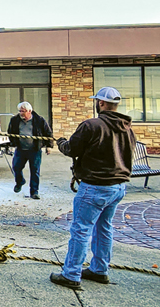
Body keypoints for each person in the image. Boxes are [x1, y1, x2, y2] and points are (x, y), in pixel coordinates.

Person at [50, 86, 137, 290]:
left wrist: (61, 142)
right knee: (104, 227)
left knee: (81, 229)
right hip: (117, 188)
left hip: (95, 187)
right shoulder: (127, 128)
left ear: (100, 103)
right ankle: (99, 270)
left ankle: (71, 274)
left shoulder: (91, 125)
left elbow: (72, 149)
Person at [5, 102, 52, 199]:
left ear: (29, 111)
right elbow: (11, 133)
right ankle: (20, 181)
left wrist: (49, 146)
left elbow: (48, 133)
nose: (21, 113)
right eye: (20, 111)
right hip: (21, 149)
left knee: (35, 171)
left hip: (34, 149)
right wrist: (12, 145)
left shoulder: (39, 120)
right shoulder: (15, 120)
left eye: (24, 111)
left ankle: (34, 192)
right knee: (16, 167)